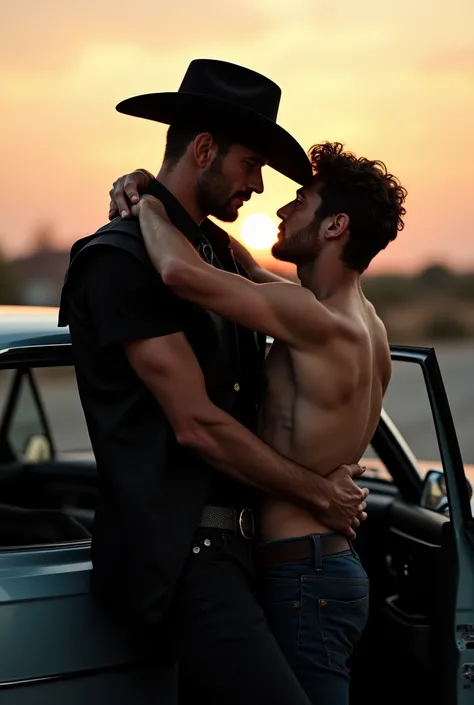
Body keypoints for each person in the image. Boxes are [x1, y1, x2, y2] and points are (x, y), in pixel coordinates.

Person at [58, 59, 368, 705]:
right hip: (180, 558)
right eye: (252, 163)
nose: (259, 186)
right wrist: (318, 492)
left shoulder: (211, 253)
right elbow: (196, 423)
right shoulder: (119, 259)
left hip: (242, 552)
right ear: (204, 149)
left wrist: (331, 472)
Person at [107, 140, 406, 704]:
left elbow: (178, 271)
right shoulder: (365, 325)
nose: (284, 209)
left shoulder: (311, 318)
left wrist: (146, 202)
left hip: (302, 576)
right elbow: (237, 264)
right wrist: (158, 185)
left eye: (302, 200)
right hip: (327, 566)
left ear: (334, 225)